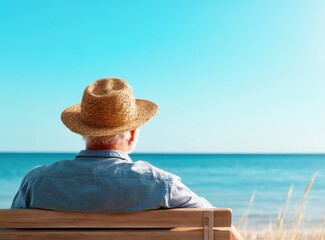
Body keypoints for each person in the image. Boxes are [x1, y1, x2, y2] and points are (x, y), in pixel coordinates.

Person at [11, 77, 242, 239]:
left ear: (83, 130)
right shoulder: (162, 185)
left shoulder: (37, 182)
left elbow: (13, 232)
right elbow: (222, 227)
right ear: (131, 133)